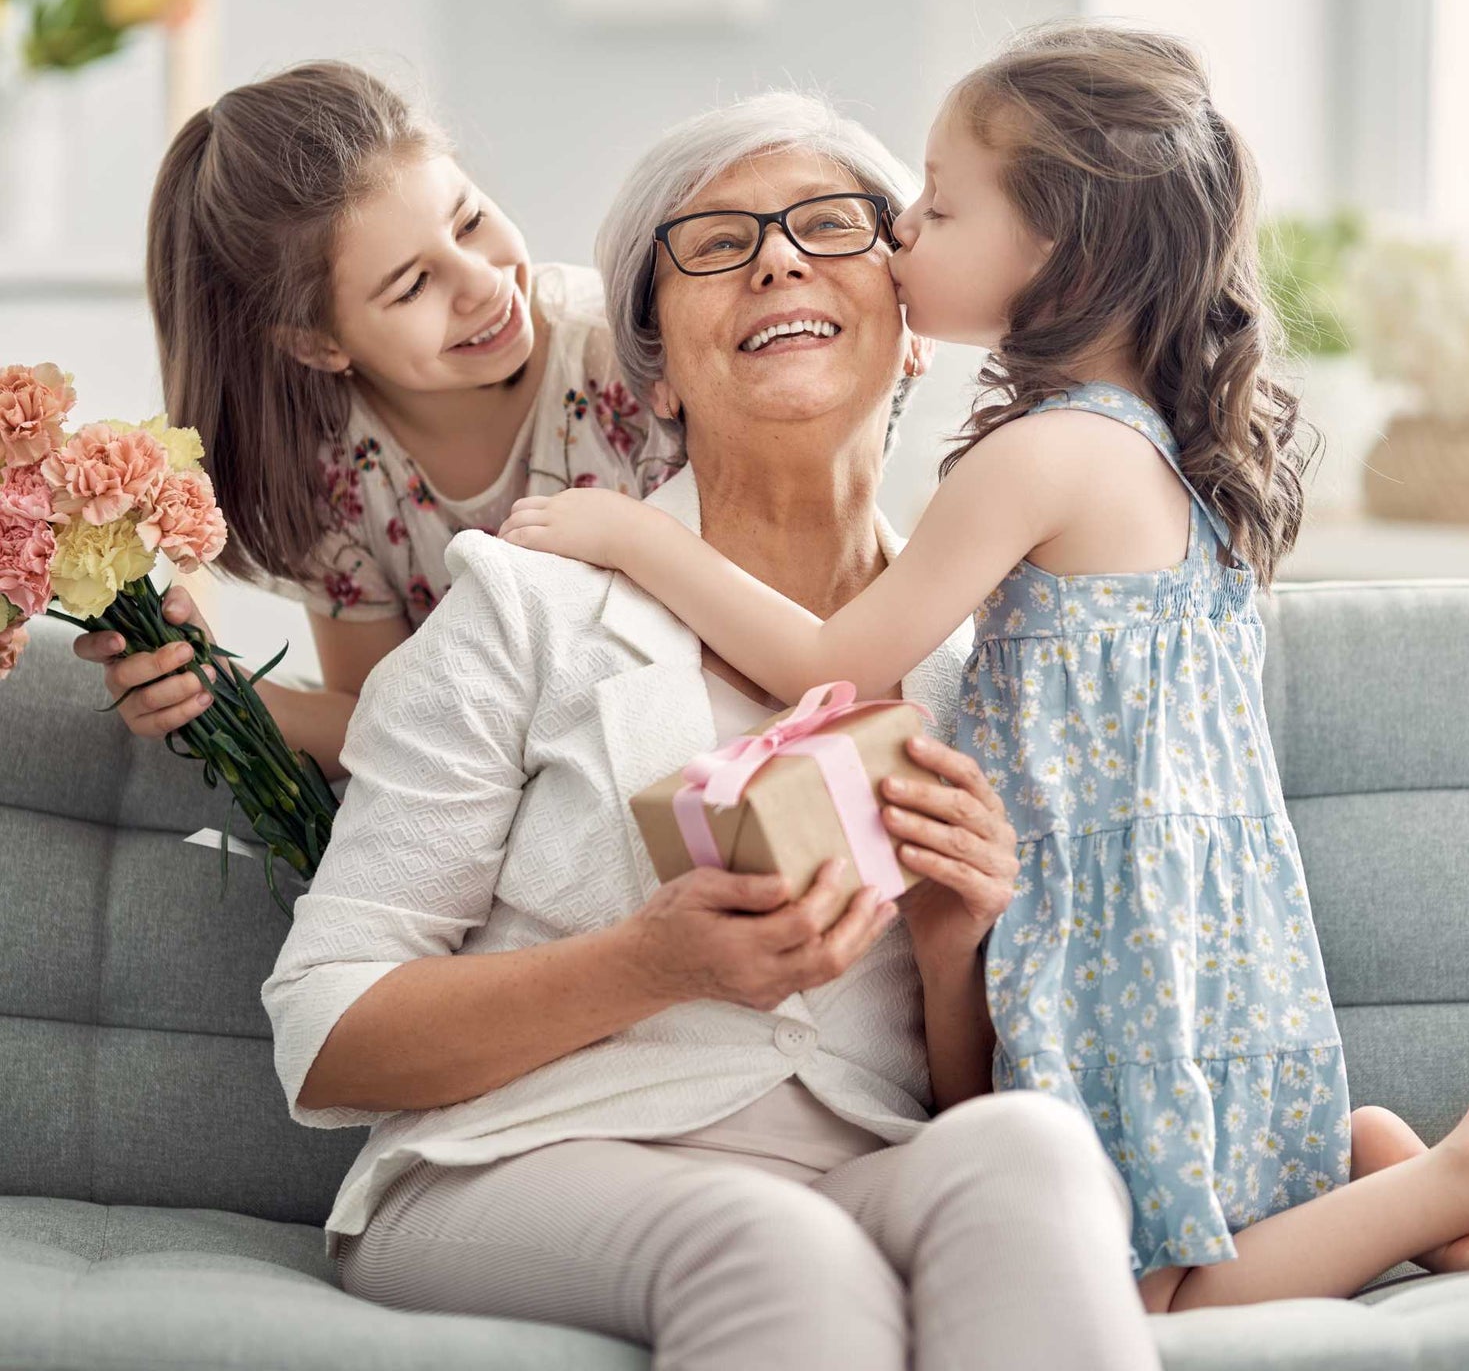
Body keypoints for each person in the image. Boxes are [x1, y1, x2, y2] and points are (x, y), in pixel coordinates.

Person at [500, 24, 1469, 1312]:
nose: (901, 232)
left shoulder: (1039, 458)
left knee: (1148, 1299)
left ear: (1057, 251)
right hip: (1177, 890)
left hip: (1109, 899)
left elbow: (834, 663)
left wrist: (633, 530)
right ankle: (1365, 1157)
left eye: (939, 205)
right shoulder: (1147, 448)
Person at [262, 91, 1160, 1371]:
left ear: (910, 329)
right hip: (512, 1168)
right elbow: (328, 1026)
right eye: (717, 243)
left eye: (826, 226)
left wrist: (958, 945)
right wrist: (652, 963)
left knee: (1031, 1148)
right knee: (770, 1243)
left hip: (855, 1169)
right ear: (659, 371)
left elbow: (963, 1095)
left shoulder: (996, 664)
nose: (778, 258)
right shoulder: (527, 608)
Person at [73, 62, 672, 774]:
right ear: (316, 344)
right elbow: (383, 718)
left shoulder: (630, 354)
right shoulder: (336, 479)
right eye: (414, 285)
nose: (482, 283)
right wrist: (219, 694)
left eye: (471, 221)